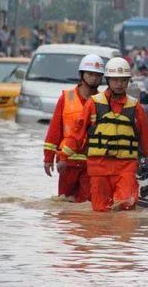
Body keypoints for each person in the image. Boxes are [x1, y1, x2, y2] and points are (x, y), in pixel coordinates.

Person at [62, 57, 148, 212]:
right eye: (116, 80)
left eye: (123, 80)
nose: (119, 84)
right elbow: (78, 132)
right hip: (98, 168)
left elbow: (147, 139)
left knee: (126, 207)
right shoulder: (94, 103)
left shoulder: (135, 106)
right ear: (108, 80)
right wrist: (63, 157)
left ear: (128, 81)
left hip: (126, 168)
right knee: (100, 212)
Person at [43, 54, 105, 203]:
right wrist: (48, 158)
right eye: (90, 74)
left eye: (98, 75)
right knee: (65, 205)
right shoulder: (66, 97)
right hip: (68, 162)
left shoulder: (103, 101)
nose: (94, 78)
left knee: (89, 205)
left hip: (92, 163)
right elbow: (55, 130)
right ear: (81, 75)